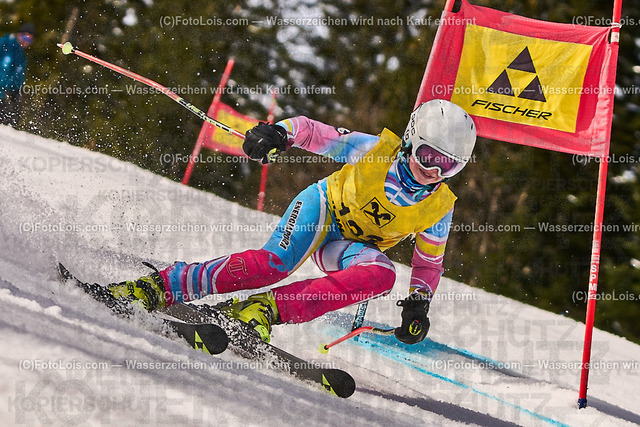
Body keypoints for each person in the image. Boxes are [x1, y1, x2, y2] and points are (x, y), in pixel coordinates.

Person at [104, 99, 476, 344]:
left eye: (449, 165)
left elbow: (428, 263)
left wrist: (418, 303)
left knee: (382, 275)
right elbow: (316, 134)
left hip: (347, 247)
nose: (434, 170)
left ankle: (262, 309)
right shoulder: (376, 151)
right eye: (428, 156)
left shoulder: (439, 207)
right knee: (273, 264)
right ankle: (164, 284)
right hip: (323, 208)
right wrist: (280, 133)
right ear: (411, 140)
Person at [0, 22, 35, 126]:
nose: (26, 42)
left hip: (2, 94)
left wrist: (15, 92)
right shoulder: (4, 44)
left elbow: (17, 77)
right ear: (19, 34)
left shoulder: (21, 57)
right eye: (24, 38)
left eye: (29, 40)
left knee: (8, 118)